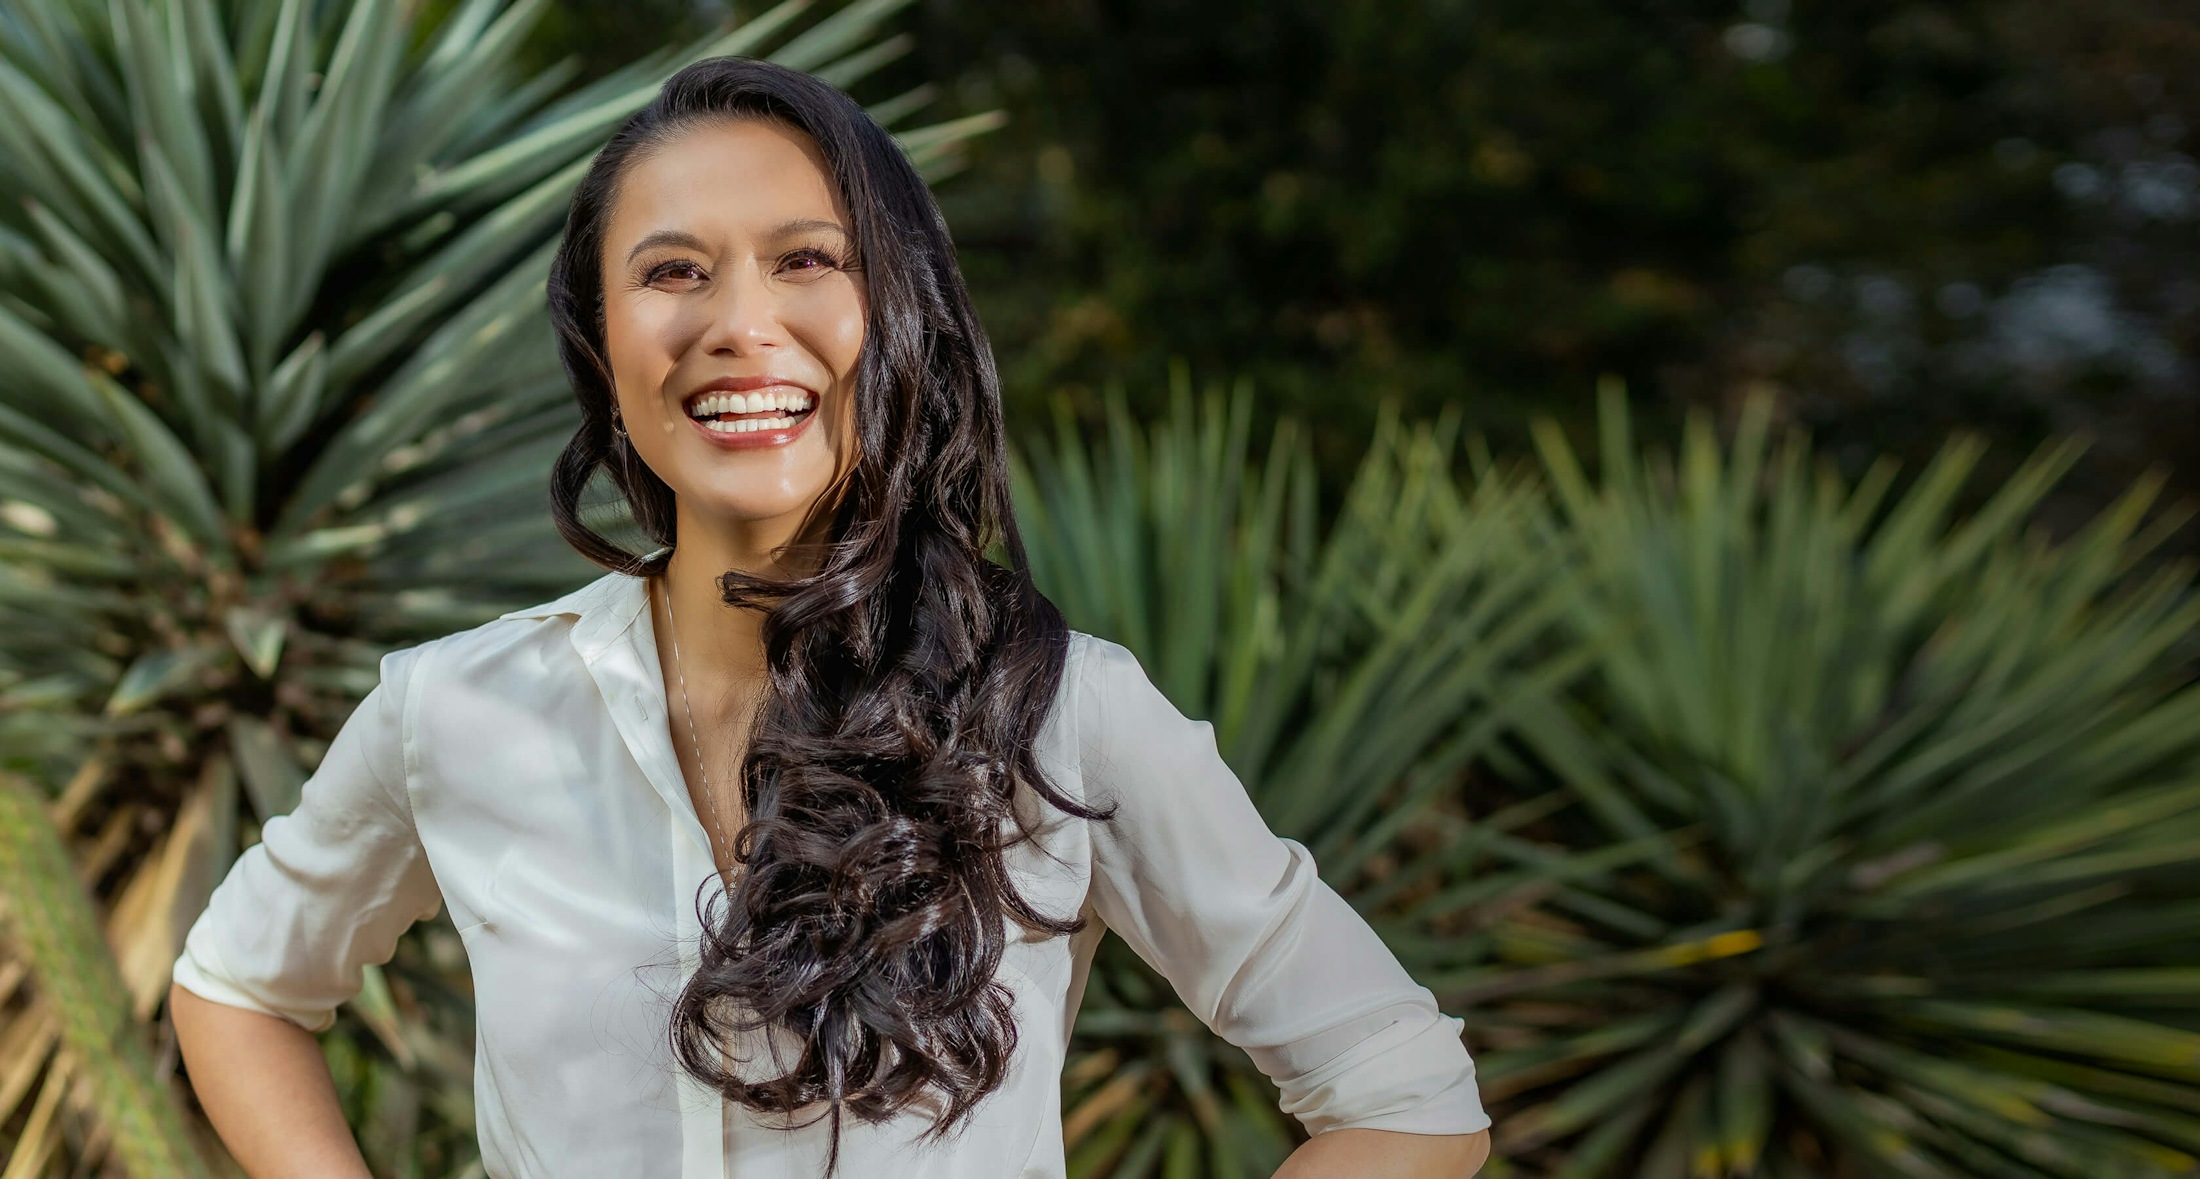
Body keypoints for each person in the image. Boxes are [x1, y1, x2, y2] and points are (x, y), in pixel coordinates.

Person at [166, 56, 1494, 1179]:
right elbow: (238, 989)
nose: (741, 325)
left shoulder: (1060, 711)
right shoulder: (455, 711)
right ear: (602, 341)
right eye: (672, 272)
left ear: (900, 314)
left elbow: (1403, 1093)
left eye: (808, 260)